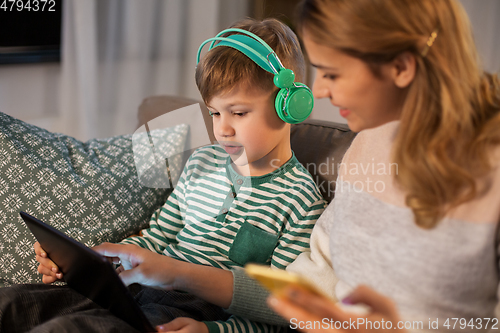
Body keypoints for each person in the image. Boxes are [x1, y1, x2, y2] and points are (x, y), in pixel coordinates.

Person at [2, 18, 326, 333]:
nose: (222, 129)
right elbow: (155, 238)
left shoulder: (300, 200)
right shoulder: (202, 162)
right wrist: (91, 264)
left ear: (290, 106)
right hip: (132, 289)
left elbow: (281, 311)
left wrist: (211, 330)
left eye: (238, 113)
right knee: (12, 303)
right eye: (214, 113)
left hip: (188, 308)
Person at [219, 0, 500, 332]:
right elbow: (315, 279)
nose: (319, 90)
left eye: (332, 73)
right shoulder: (369, 143)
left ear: (401, 67)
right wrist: (186, 285)